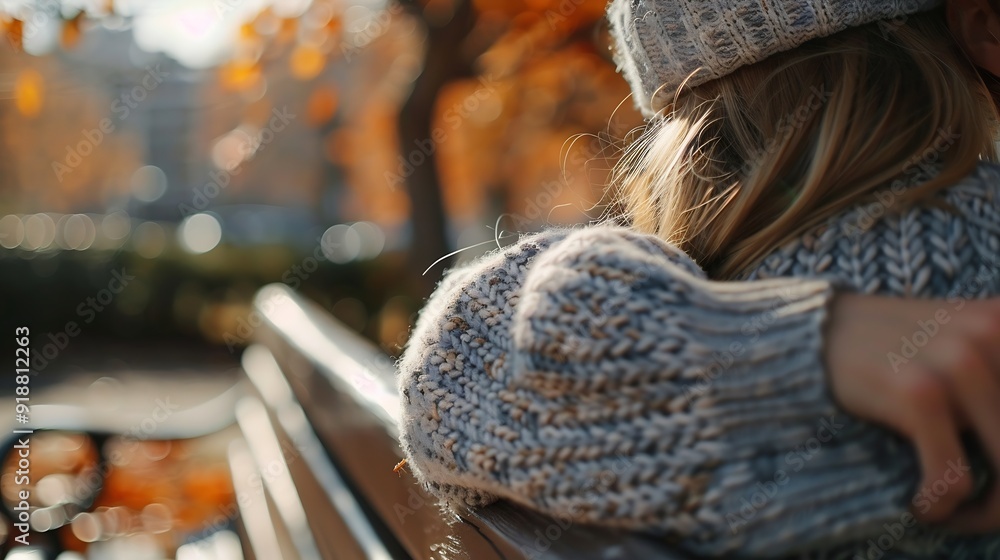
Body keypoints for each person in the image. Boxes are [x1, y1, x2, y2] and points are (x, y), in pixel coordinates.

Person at [397, 0, 1000, 556]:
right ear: (983, 25)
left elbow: (450, 375)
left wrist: (774, 349)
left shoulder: (687, 291)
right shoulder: (963, 261)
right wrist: (788, 348)